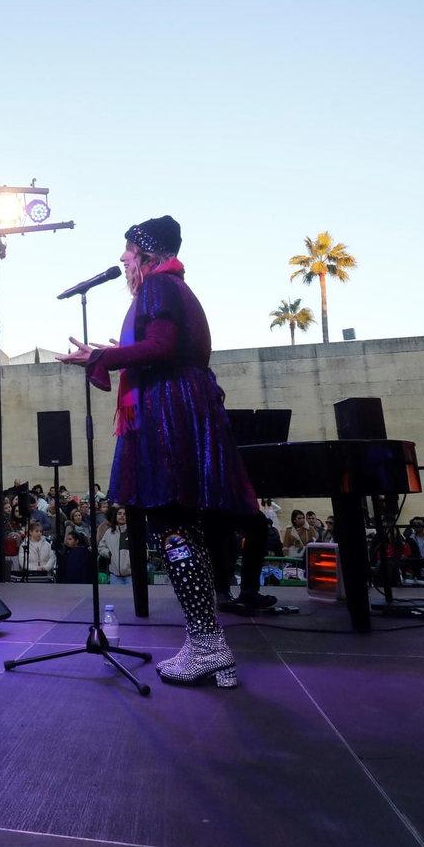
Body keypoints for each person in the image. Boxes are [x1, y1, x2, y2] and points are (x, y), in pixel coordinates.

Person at [58, 215, 255, 688]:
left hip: (167, 412)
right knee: (182, 527)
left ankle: (208, 644)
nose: (123, 258)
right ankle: (209, 644)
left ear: (146, 252)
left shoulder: (158, 287)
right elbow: (162, 345)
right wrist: (119, 352)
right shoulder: (174, 288)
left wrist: (101, 357)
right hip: (181, 404)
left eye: (128, 250)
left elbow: (161, 346)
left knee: (172, 525)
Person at [98, 508, 136, 585]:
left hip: (131, 575)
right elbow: (101, 547)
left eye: (125, 514)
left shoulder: (134, 532)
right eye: (119, 513)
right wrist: (108, 553)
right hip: (114, 575)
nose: (122, 516)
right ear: (115, 516)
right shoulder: (109, 532)